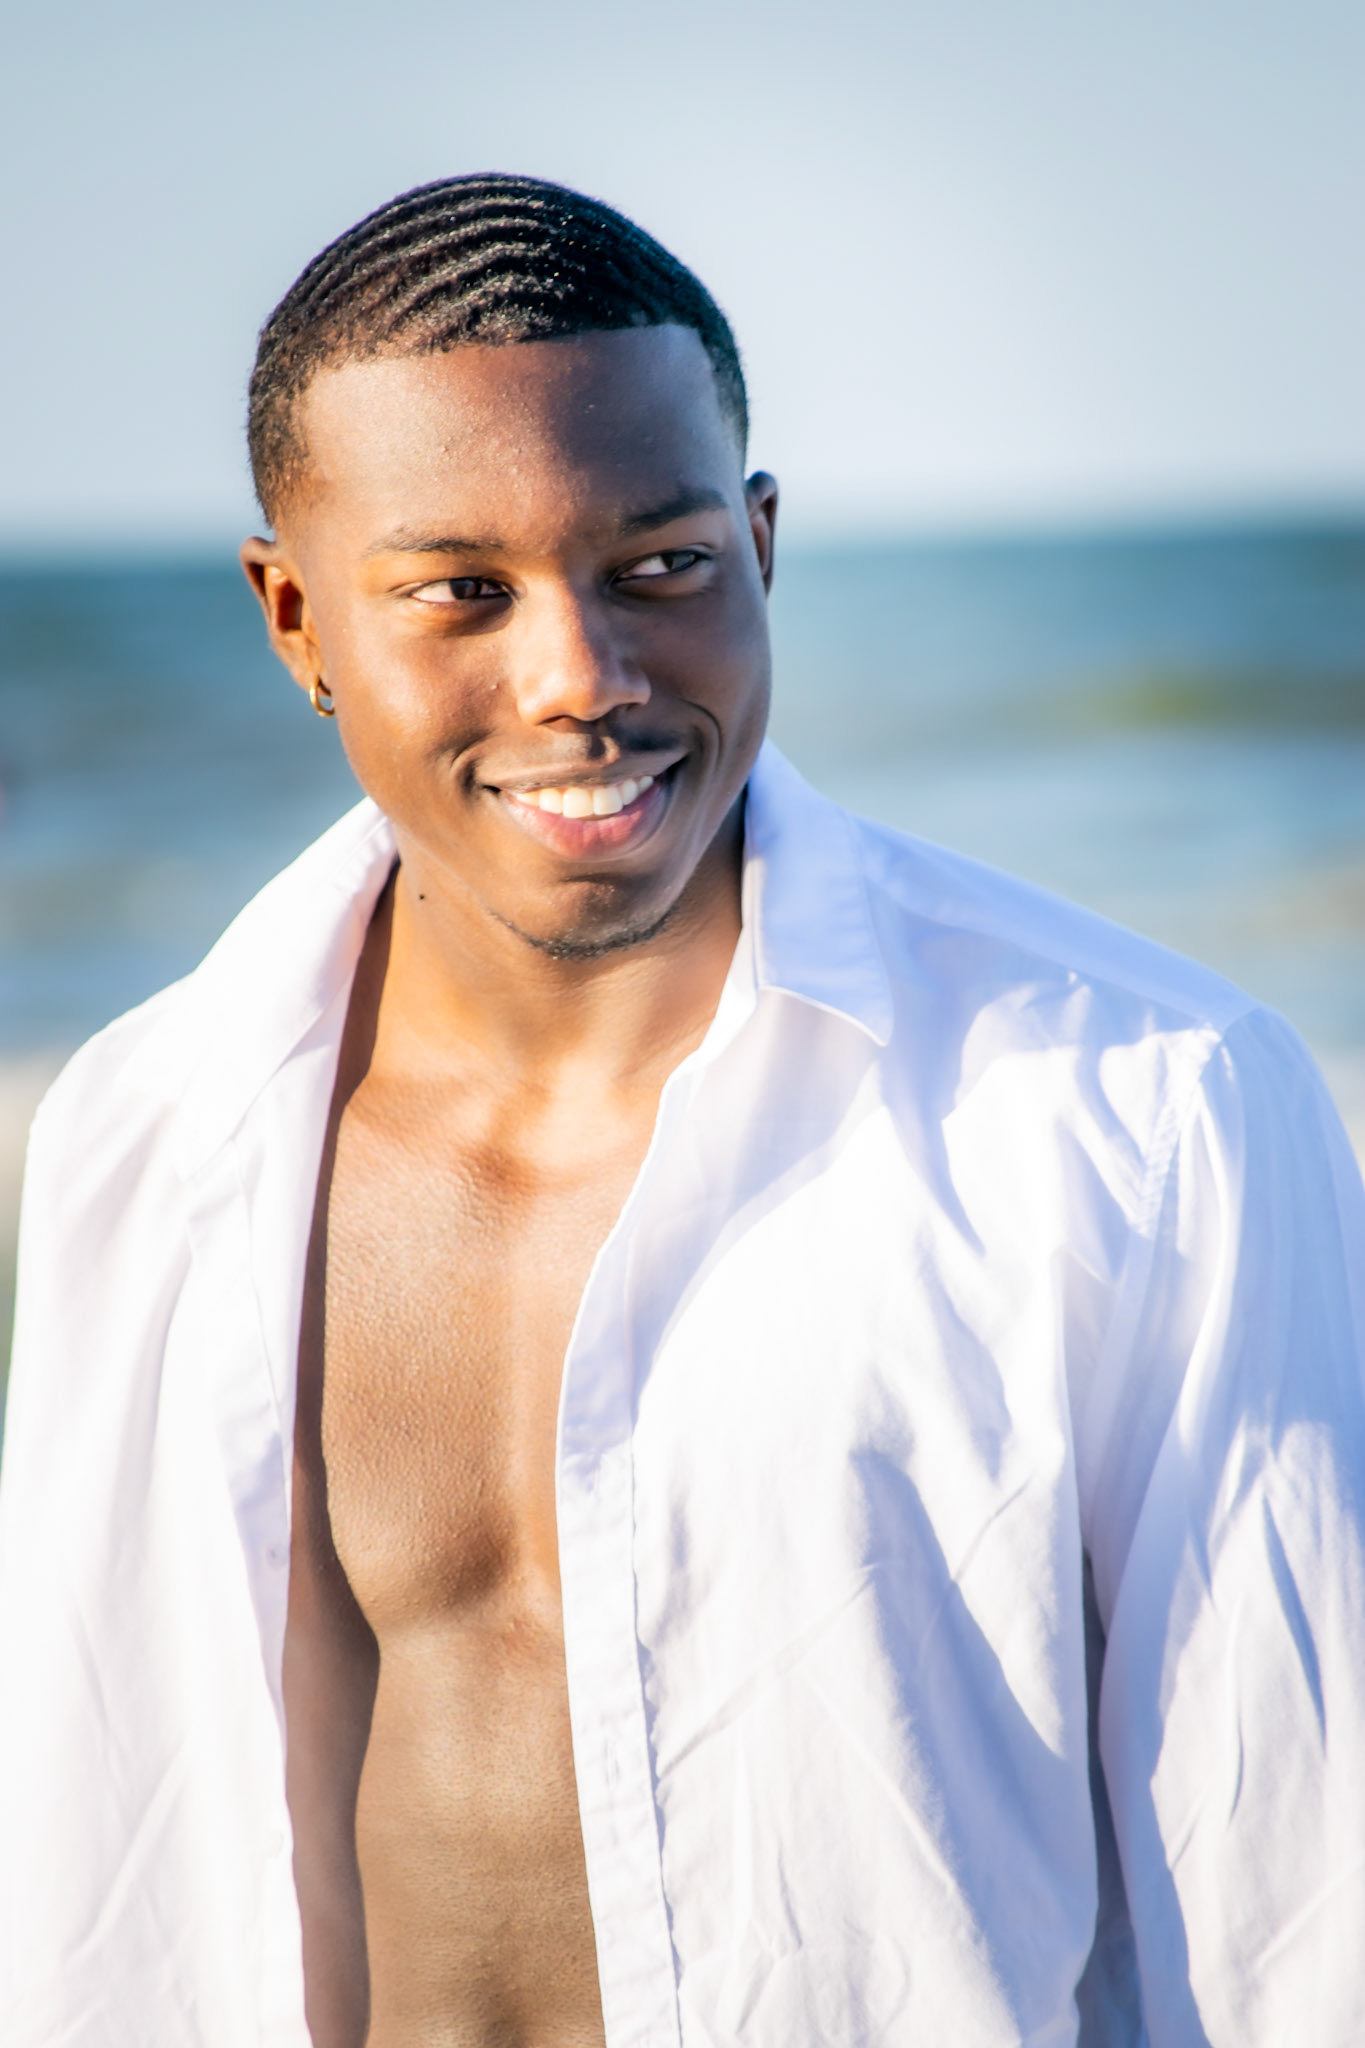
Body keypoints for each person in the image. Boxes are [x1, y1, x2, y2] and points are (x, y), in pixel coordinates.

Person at [2, 173, 1363, 2048]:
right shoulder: (147, 1136)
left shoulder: (1147, 1115)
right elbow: (94, 1849)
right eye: (459, 592)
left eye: (659, 566)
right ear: (297, 619)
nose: (580, 676)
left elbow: (1298, 1903)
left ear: (761, 546)